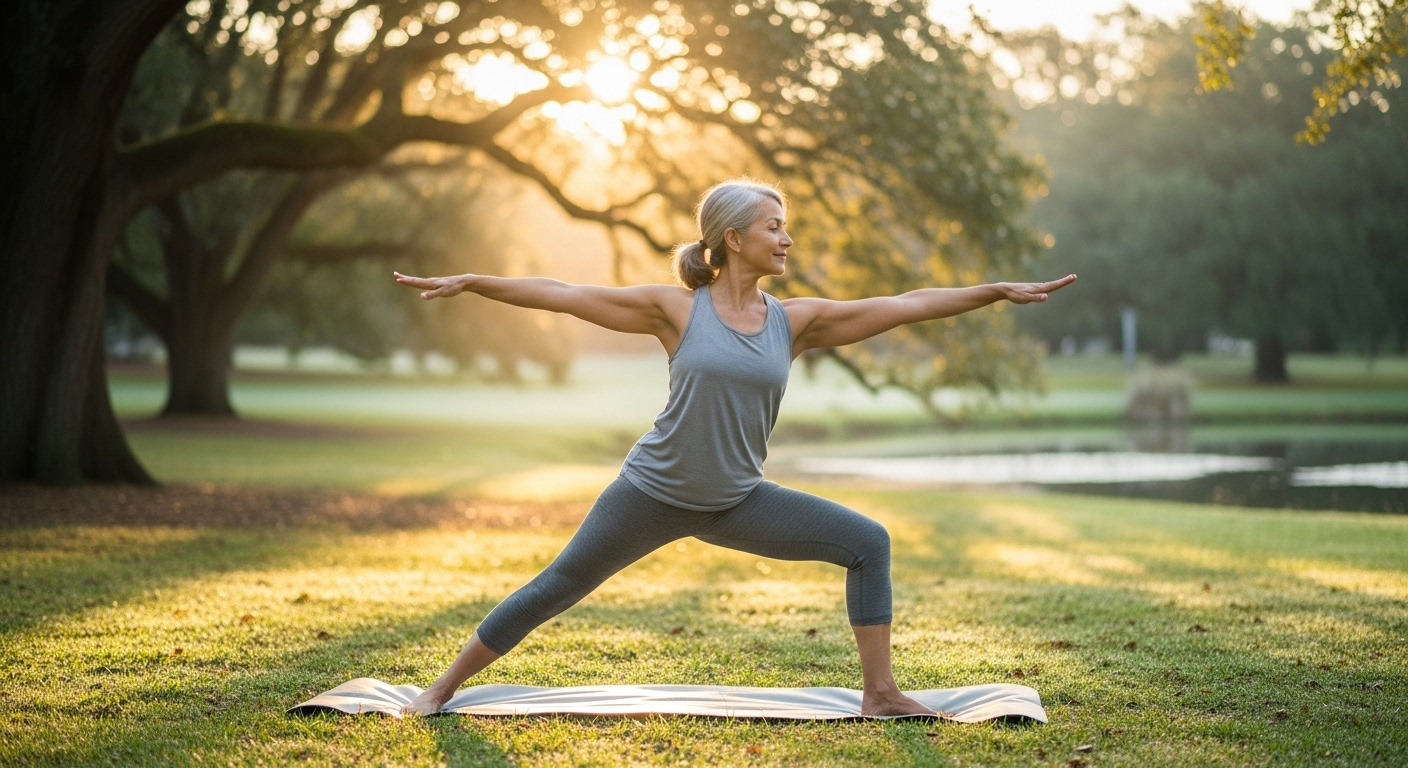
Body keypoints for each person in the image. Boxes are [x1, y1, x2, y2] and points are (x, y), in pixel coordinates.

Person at [392, 180, 1075, 717]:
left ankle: (882, 694)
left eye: (786, 226)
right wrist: (477, 282)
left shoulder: (796, 321)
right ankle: (441, 689)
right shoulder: (677, 309)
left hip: (735, 500)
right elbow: (567, 294)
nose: (786, 238)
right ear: (733, 237)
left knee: (869, 542)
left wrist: (991, 291)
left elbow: (905, 303)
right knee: (555, 588)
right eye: (774, 226)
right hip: (649, 493)